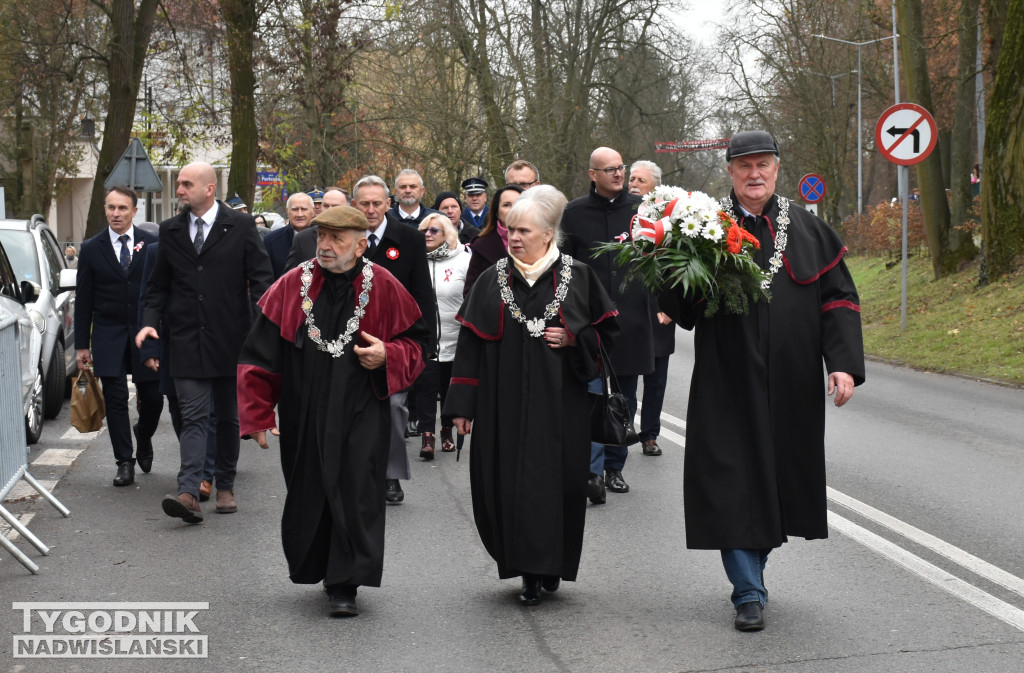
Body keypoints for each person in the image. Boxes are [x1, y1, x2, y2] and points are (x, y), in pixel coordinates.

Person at [659, 130, 864, 632]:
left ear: (777, 169)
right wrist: (670, 260)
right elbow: (679, 308)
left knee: (776, 482)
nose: (755, 174)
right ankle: (747, 589)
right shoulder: (703, 228)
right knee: (731, 480)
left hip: (792, 385)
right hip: (726, 381)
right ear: (730, 172)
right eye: (744, 165)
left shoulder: (812, 232)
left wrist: (841, 363)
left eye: (764, 165)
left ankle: (755, 568)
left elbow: (838, 300)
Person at [237, 205, 427, 617]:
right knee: (310, 489)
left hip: (363, 408)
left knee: (357, 488)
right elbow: (259, 355)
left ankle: (346, 583)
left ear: (360, 245)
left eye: (336, 239)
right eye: (322, 236)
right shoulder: (292, 285)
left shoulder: (386, 285)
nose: (325, 245)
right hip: (304, 409)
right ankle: (323, 567)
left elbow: (418, 346)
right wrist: (257, 414)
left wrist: (388, 356)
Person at [445, 185, 618, 606]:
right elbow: (468, 347)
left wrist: (577, 337)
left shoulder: (579, 275)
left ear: (548, 235)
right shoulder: (492, 279)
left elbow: (608, 337)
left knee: (556, 485)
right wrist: (462, 407)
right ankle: (527, 570)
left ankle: (550, 564)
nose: (515, 238)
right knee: (507, 484)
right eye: (510, 230)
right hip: (503, 405)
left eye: (523, 230)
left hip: (562, 407)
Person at [136, 161, 273, 524]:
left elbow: (262, 281)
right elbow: (157, 287)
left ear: (209, 188)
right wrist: (149, 324)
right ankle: (189, 491)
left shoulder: (241, 226)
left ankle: (225, 485)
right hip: (184, 339)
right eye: (178, 184)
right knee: (193, 416)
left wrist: (264, 330)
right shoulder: (171, 230)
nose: (178, 190)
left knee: (228, 417)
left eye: (185, 184)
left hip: (232, 339)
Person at [286, 175, 436, 504]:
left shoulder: (408, 239)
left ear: (388, 204)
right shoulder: (313, 243)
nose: (370, 209)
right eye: (364, 203)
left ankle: (390, 474)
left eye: (376, 203)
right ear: (355, 205)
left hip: (389, 339)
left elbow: (422, 293)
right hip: (332, 340)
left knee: (394, 407)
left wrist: (423, 346)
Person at [561, 147, 654, 503]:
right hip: (590, 322)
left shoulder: (643, 209)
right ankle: (592, 472)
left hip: (631, 318)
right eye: (610, 169)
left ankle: (615, 467)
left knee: (625, 398)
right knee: (593, 395)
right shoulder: (574, 214)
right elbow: (565, 266)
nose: (618, 174)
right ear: (592, 174)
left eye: (621, 168)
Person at [74, 186, 162, 486]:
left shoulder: (151, 243)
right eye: (111, 207)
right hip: (108, 334)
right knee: (115, 398)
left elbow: (159, 291)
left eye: (122, 208)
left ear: (134, 212)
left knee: (152, 397)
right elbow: (83, 299)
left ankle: (144, 435)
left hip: (144, 333)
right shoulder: (91, 248)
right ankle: (124, 461)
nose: (116, 213)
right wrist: (81, 346)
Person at [410, 213, 470, 458]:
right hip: (425, 337)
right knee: (425, 386)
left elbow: (471, 297)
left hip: (456, 337)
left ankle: (446, 433)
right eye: (424, 230)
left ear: (447, 234)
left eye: (434, 230)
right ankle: (427, 437)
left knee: (448, 389)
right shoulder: (414, 260)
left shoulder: (463, 260)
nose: (428, 234)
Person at [628, 160, 674, 457]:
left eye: (640, 180)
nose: (632, 184)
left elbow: (673, 267)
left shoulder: (670, 218)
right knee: (626, 377)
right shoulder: (620, 214)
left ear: (654, 187)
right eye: (631, 178)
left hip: (659, 310)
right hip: (629, 308)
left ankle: (650, 435)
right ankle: (624, 429)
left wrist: (669, 306)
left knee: (656, 379)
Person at [462, 185, 523, 297]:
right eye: (506, 205)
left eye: (518, 204)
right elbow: (471, 293)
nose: (513, 209)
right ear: (497, 212)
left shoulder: (541, 242)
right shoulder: (482, 246)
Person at [264, 192, 314, 278]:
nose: (299, 214)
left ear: (312, 211)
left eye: (304, 209)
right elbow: (265, 276)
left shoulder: (323, 239)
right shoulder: (271, 240)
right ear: (287, 211)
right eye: (294, 209)